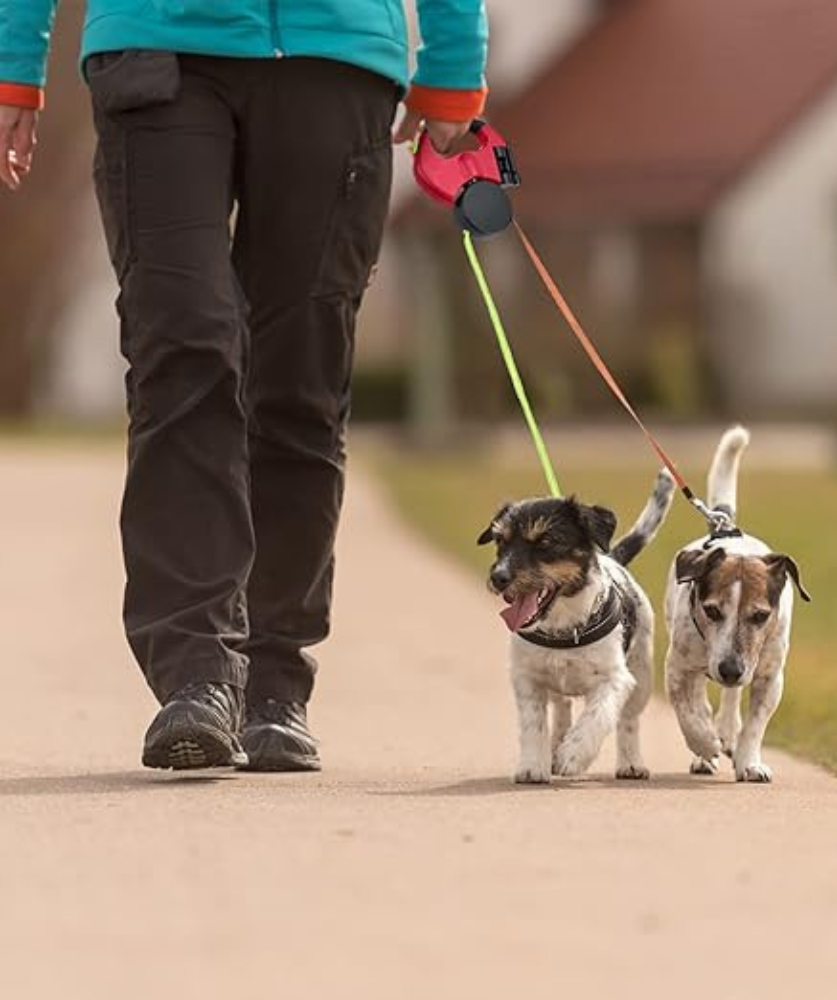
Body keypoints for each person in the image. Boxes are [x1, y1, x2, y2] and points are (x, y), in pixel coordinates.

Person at [0, 2, 488, 771]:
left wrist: (455, 66)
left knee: (302, 380)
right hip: (156, 45)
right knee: (184, 346)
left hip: (336, 56)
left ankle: (273, 680)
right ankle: (196, 674)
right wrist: (15, 65)